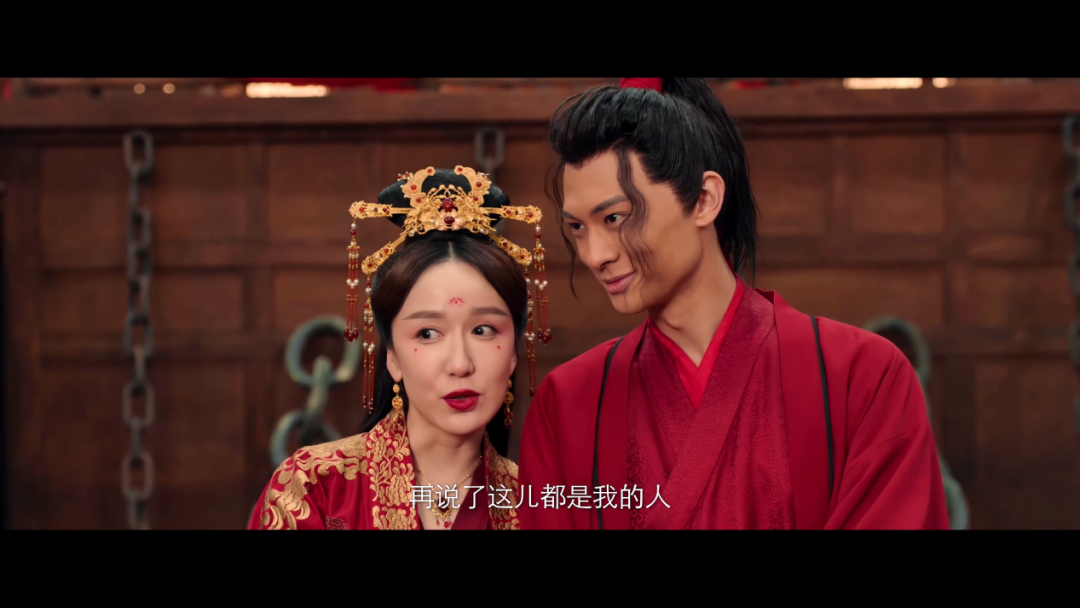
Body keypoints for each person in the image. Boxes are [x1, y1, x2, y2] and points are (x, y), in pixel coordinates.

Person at [516, 78, 950, 529]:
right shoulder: (568, 402)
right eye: (578, 228)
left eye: (615, 217)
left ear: (704, 200)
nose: (595, 255)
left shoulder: (862, 376)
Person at [250, 165, 550, 530]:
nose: (460, 364)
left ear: (514, 353)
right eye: (428, 333)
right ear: (392, 356)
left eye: (483, 330)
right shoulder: (314, 486)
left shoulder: (537, 506)